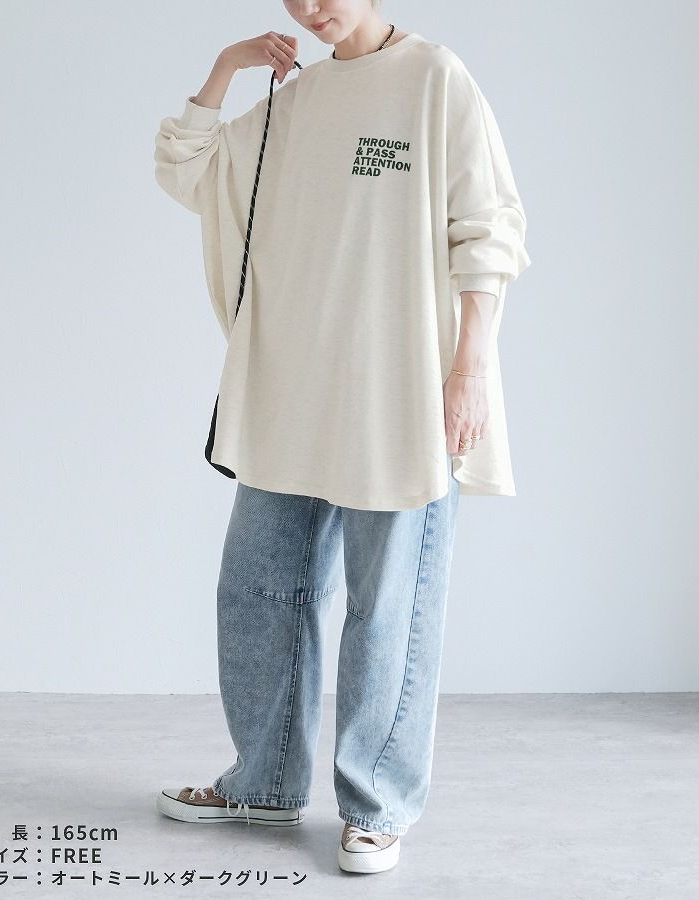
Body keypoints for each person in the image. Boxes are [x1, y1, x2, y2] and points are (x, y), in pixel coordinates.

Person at [153, 0, 531, 876]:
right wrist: (228, 65)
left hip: (400, 396)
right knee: (258, 591)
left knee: (387, 607)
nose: (311, 8)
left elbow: (489, 227)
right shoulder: (300, 97)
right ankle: (263, 782)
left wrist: (471, 368)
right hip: (294, 392)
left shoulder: (435, 79)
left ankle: (376, 807)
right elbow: (189, 169)